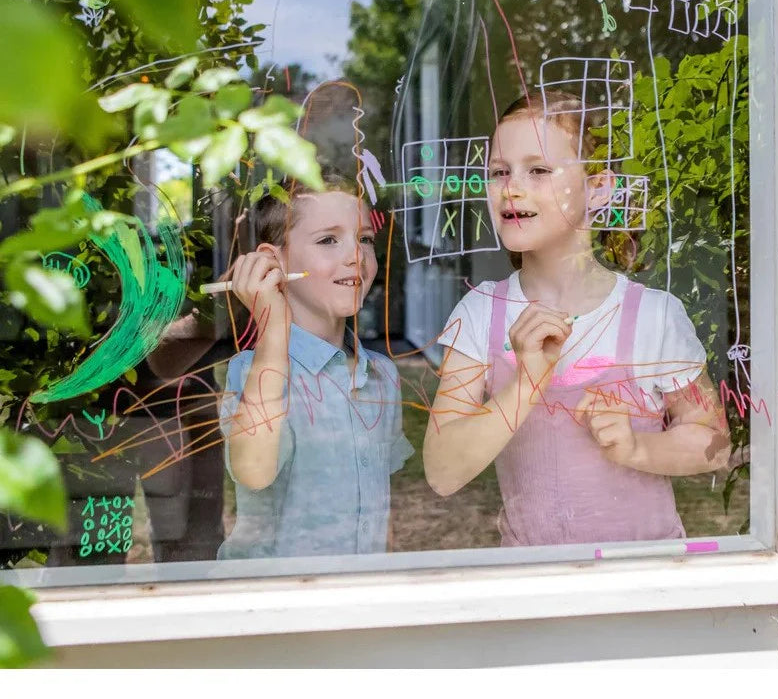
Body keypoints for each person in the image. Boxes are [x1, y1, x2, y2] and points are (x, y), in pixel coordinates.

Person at [423, 91, 732, 547]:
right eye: (499, 171)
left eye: (539, 170)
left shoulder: (653, 314)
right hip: (533, 588)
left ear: (599, 187)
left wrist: (637, 447)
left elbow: (714, 443)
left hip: (640, 586)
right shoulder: (480, 313)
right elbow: (442, 472)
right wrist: (526, 383)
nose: (511, 187)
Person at [217, 172, 413, 559]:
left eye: (365, 239)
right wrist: (272, 327)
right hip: (277, 607)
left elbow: (378, 509)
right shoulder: (252, 371)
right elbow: (254, 470)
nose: (356, 256)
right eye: (328, 240)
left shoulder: (381, 376)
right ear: (274, 262)